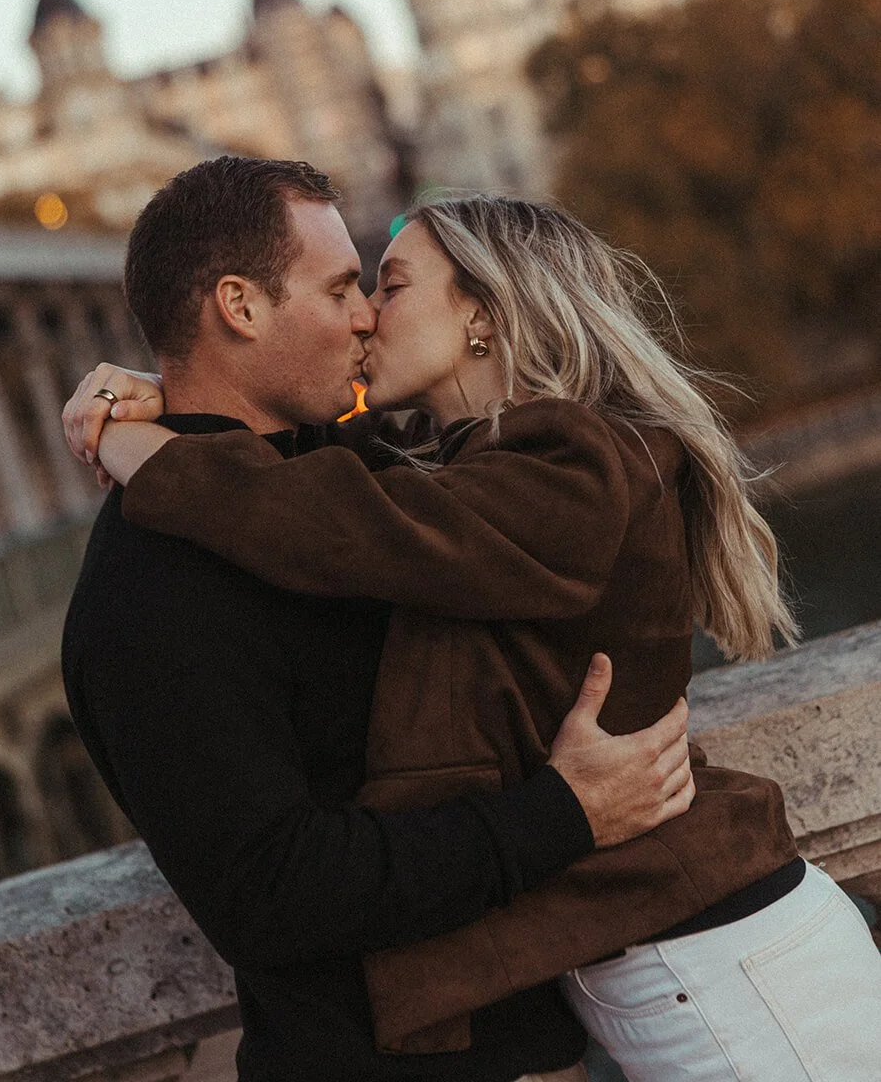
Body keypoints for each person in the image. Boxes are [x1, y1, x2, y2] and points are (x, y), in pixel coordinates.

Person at [77, 191, 881, 1081]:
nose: (366, 316)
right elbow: (332, 501)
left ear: (482, 317)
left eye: (385, 284)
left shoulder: (573, 467)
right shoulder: (452, 480)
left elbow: (334, 519)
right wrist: (171, 413)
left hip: (731, 976)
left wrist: (145, 446)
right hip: (673, 980)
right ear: (238, 305)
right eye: (350, 285)